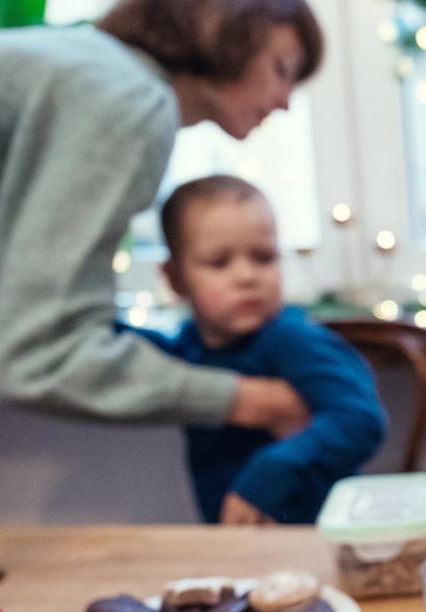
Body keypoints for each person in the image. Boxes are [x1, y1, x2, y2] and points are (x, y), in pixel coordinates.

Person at [0, 0, 325, 520]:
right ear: (227, 33)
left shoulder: (91, 68)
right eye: (282, 70)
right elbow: (39, 359)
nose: (286, 102)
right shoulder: (125, 99)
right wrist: (252, 400)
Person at [124, 176, 386, 525]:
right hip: (237, 543)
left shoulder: (292, 338)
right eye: (219, 263)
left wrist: (273, 468)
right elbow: (134, 350)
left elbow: (361, 419)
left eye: (263, 258)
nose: (246, 276)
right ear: (174, 279)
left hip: (315, 539)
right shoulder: (189, 345)